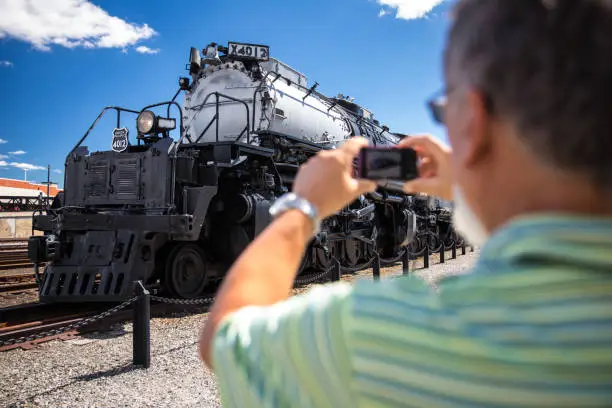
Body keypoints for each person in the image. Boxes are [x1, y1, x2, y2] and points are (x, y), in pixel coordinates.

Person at [199, 0, 612, 406]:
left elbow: (226, 343)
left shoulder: (379, 343)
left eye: (443, 111)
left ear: (472, 121)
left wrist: (304, 207)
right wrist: (468, 181)